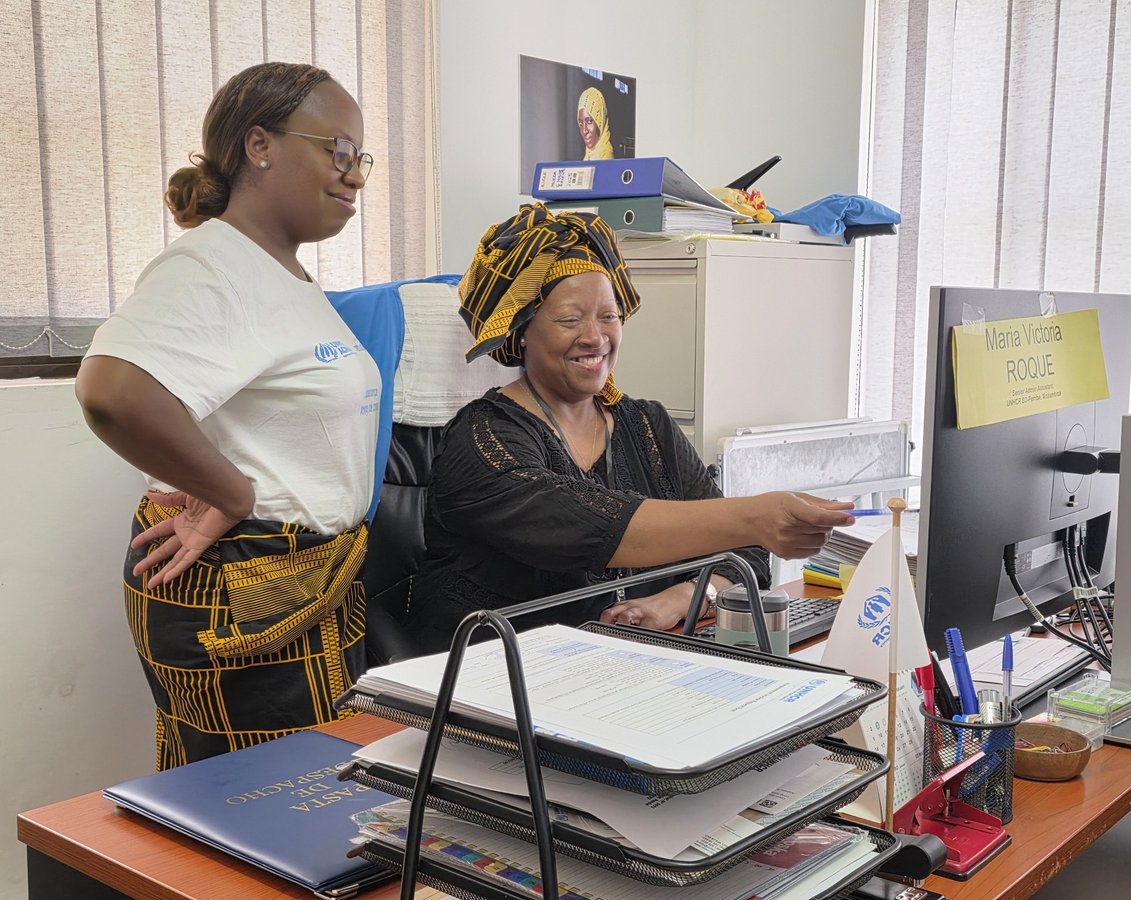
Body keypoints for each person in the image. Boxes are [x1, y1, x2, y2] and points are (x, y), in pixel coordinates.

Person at [75, 62, 379, 770]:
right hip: (248, 594)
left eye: (359, 157)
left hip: (302, 587)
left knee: (304, 815)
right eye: (337, 151)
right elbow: (111, 391)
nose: (355, 175)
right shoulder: (213, 265)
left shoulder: (281, 272)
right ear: (259, 145)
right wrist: (231, 491)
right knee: (268, 823)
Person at [402, 204, 853, 651]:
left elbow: (746, 555)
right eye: (569, 319)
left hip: (625, 669)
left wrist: (682, 598)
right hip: (489, 681)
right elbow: (584, 527)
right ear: (522, 330)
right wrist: (754, 515)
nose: (595, 337)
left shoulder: (648, 425)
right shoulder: (482, 440)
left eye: (608, 315)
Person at [577, 86, 614, 160]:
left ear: (600, 121)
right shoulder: (589, 154)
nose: (584, 131)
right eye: (581, 123)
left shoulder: (606, 156)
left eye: (589, 122)